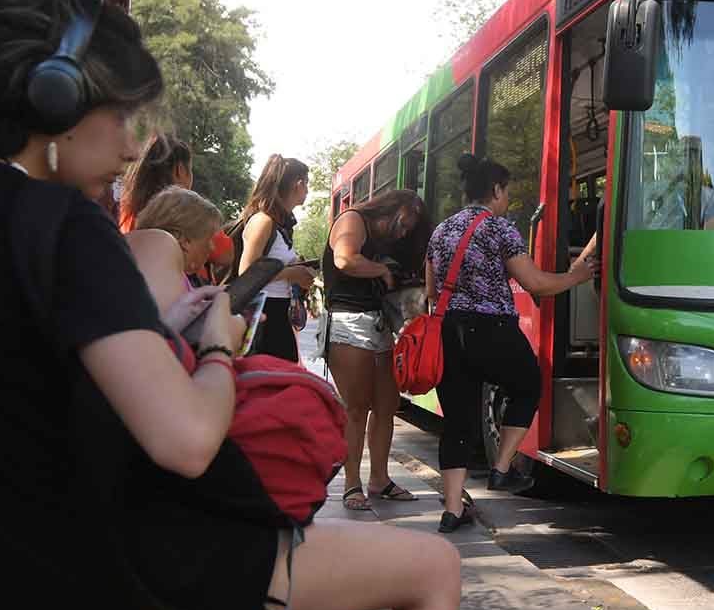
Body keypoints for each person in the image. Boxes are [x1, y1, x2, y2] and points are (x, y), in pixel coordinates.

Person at [0, 0, 458, 610]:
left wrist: (152, 328)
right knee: (435, 572)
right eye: (117, 111)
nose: (133, 146)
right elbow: (188, 439)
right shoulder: (66, 227)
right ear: (53, 98)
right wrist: (214, 344)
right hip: (118, 572)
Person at [425, 154, 595, 533]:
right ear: (496, 191)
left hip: (448, 331)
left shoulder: (441, 231)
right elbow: (536, 284)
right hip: (492, 328)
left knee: (457, 422)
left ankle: (452, 510)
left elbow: (431, 291)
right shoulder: (500, 229)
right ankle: (501, 468)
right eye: (506, 192)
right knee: (529, 384)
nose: (507, 200)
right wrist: (577, 276)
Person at [322, 189, 430, 510]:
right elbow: (344, 259)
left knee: (387, 404)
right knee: (356, 408)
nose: (408, 229)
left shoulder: (387, 240)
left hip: (378, 323)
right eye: (410, 220)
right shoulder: (353, 220)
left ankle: (379, 479)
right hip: (347, 322)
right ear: (400, 207)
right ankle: (351, 483)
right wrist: (381, 271)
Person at [234, 155, 317, 361]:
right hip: (261, 317)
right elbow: (247, 272)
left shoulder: (280, 225)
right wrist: (293, 273)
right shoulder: (263, 221)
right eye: (306, 184)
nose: (307, 190)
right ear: (298, 184)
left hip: (278, 314)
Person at [119, 134, 234, 282]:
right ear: (180, 170)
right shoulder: (191, 211)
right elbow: (225, 255)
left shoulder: (124, 209)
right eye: (190, 170)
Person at [129, 186, 224, 310]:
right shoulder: (166, 280)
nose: (212, 248)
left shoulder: (133, 256)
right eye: (209, 239)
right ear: (184, 241)